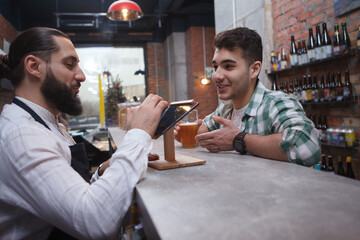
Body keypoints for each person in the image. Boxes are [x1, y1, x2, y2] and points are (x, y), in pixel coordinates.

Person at [0, 27, 168, 239]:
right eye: (69, 64)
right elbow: (95, 221)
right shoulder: (22, 135)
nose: (81, 75)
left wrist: (105, 169)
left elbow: (73, 195)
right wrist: (138, 133)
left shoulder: (50, 124)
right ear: (34, 66)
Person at [176, 27, 321, 166]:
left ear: (254, 70)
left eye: (228, 66)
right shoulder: (226, 110)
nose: (216, 76)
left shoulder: (276, 103)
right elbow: (203, 130)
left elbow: (308, 149)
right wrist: (186, 134)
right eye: (215, 67)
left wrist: (238, 140)